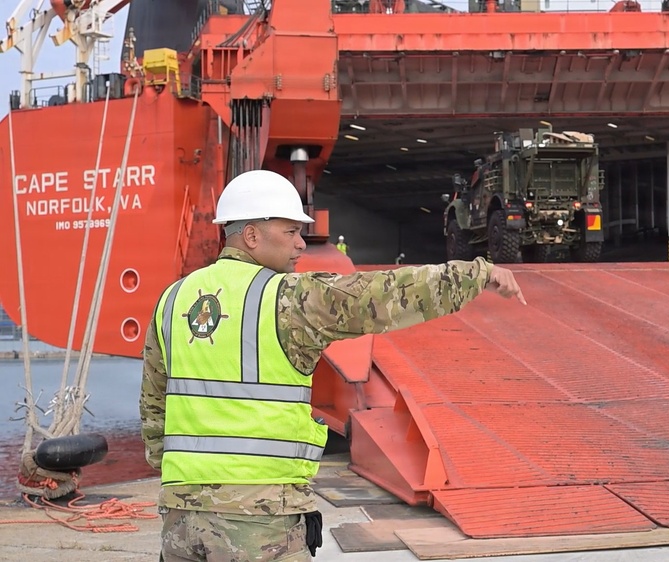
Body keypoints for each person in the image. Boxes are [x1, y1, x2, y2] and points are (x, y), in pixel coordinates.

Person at [139, 169, 525, 562]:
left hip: (181, 522)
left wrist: (185, 482)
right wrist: (478, 274)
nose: (301, 244)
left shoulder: (172, 300)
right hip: (260, 521)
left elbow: (155, 413)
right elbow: (383, 294)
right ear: (252, 235)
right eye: (290, 232)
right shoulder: (288, 298)